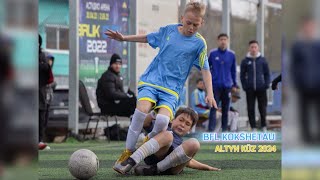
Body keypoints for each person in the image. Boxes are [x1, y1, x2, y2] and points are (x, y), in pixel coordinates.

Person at [105, 1, 217, 168]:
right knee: (141, 110)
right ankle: (127, 152)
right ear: (182, 18)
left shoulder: (200, 44)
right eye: (188, 23)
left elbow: (205, 70)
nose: (191, 28)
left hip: (171, 90)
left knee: (163, 121)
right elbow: (147, 37)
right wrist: (124, 38)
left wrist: (210, 93)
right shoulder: (169, 31)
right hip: (151, 80)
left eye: (196, 24)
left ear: (201, 23)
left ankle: (145, 144)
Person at [113, 107, 221, 175]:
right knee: (168, 135)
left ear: (189, 130)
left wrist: (208, 167)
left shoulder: (183, 143)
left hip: (172, 169)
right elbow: (145, 123)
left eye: (187, 124)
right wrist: (154, 113)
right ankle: (131, 161)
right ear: (173, 119)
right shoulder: (163, 126)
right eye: (181, 120)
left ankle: (155, 169)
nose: (182, 125)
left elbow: (188, 161)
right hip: (154, 156)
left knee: (194, 143)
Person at [208, 33, 238, 132]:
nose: (223, 41)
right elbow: (207, 69)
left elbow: (233, 71)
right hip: (215, 86)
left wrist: (234, 84)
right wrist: (207, 82)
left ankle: (224, 130)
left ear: (227, 41)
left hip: (227, 86)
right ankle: (211, 130)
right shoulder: (213, 54)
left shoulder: (231, 55)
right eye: (221, 39)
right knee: (213, 108)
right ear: (218, 41)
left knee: (226, 109)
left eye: (225, 39)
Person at [240, 40, 270, 132]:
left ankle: (264, 126)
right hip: (250, 89)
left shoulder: (263, 60)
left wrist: (266, 84)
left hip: (261, 88)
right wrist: (245, 86)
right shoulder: (245, 61)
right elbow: (242, 75)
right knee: (250, 108)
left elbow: (267, 74)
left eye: (255, 47)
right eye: (252, 47)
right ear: (249, 48)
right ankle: (253, 127)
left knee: (262, 108)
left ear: (258, 48)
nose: (253, 49)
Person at [39, 34, 53, 150]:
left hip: (40, 93)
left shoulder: (42, 56)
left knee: (41, 117)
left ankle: (39, 140)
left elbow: (48, 75)